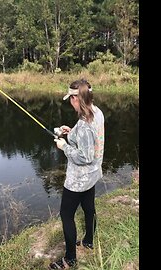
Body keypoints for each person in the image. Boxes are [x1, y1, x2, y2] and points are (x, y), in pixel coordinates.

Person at [49, 79, 105, 269]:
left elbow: (85, 156)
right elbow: (91, 140)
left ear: (75, 98)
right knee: (89, 207)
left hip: (79, 179)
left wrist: (64, 146)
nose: (70, 102)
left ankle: (70, 259)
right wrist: (71, 132)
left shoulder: (84, 123)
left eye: (70, 98)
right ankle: (89, 240)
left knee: (66, 214)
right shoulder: (97, 112)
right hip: (93, 174)